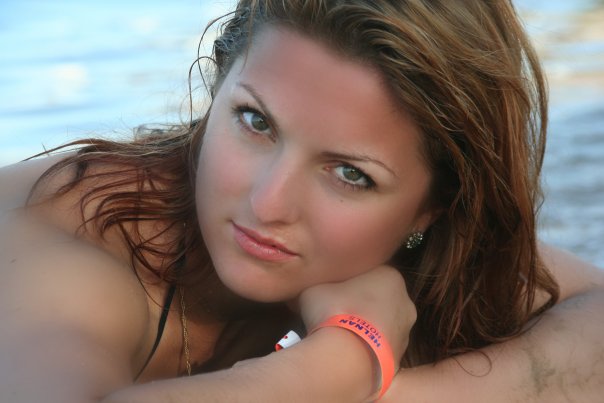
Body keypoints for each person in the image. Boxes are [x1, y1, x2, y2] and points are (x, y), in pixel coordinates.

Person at [1, 0, 603, 401]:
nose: (268, 203)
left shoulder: (426, 257)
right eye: (256, 121)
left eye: (349, 173)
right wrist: (350, 356)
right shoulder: (71, 249)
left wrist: (399, 393)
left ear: (432, 210)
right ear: (216, 89)